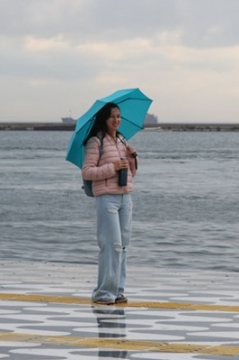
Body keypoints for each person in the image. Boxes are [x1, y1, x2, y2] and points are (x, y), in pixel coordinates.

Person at [82, 102, 138, 305]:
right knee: (111, 246)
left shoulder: (122, 141)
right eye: (112, 116)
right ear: (104, 119)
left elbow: (132, 175)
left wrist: (131, 159)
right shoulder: (95, 142)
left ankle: (118, 290)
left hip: (126, 198)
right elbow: (87, 172)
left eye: (119, 116)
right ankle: (103, 292)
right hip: (107, 198)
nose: (117, 120)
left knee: (123, 246)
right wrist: (112, 167)